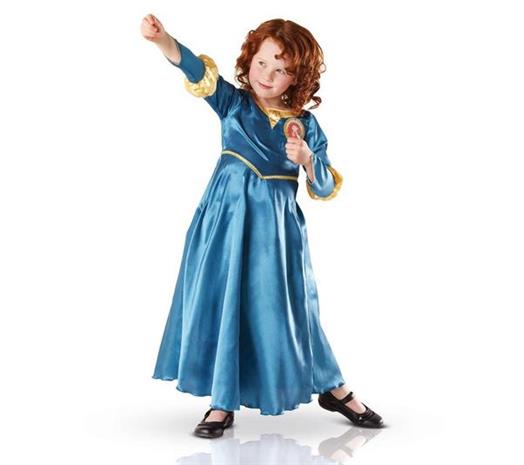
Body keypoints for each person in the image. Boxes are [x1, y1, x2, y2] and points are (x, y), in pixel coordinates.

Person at [141, 14, 384, 438]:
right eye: (262, 62)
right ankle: (222, 401)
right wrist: (163, 40)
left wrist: (307, 159)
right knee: (225, 300)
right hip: (225, 224)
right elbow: (195, 70)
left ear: (298, 77)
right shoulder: (234, 105)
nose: (268, 75)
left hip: (276, 233)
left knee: (290, 309)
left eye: (282, 69)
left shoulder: (305, 126)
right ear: (249, 59)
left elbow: (325, 187)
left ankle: (333, 386)